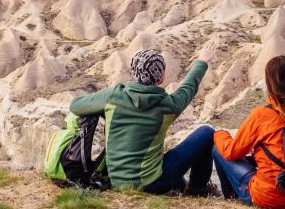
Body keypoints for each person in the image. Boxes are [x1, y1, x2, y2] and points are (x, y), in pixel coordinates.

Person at [69, 48, 214, 196]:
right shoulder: (168, 106)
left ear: (134, 72)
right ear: (160, 78)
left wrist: (106, 112)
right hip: (152, 185)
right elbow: (188, 87)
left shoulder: (113, 97)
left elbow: (75, 106)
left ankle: (184, 188)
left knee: (163, 158)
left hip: (116, 181)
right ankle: (197, 190)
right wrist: (201, 62)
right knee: (207, 133)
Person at [212, 55, 285, 209]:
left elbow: (231, 152)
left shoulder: (263, 115)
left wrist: (219, 133)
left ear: (270, 84)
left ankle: (232, 199)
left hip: (267, 197)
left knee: (219, 149)